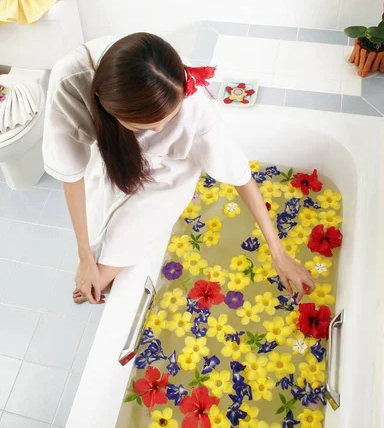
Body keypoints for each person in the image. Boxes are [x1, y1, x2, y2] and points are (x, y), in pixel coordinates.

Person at [43, 33, 315, 306]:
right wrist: (84, 257)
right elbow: (71, 172)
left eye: (168, 119)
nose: (159, 130)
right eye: (145, 127)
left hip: (168, 171)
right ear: (104, 103)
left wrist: (278, 252)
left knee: (101, 282)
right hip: (111, 155)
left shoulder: (189, 101)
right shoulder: (70, 82)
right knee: (95, 273)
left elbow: (239, 173)